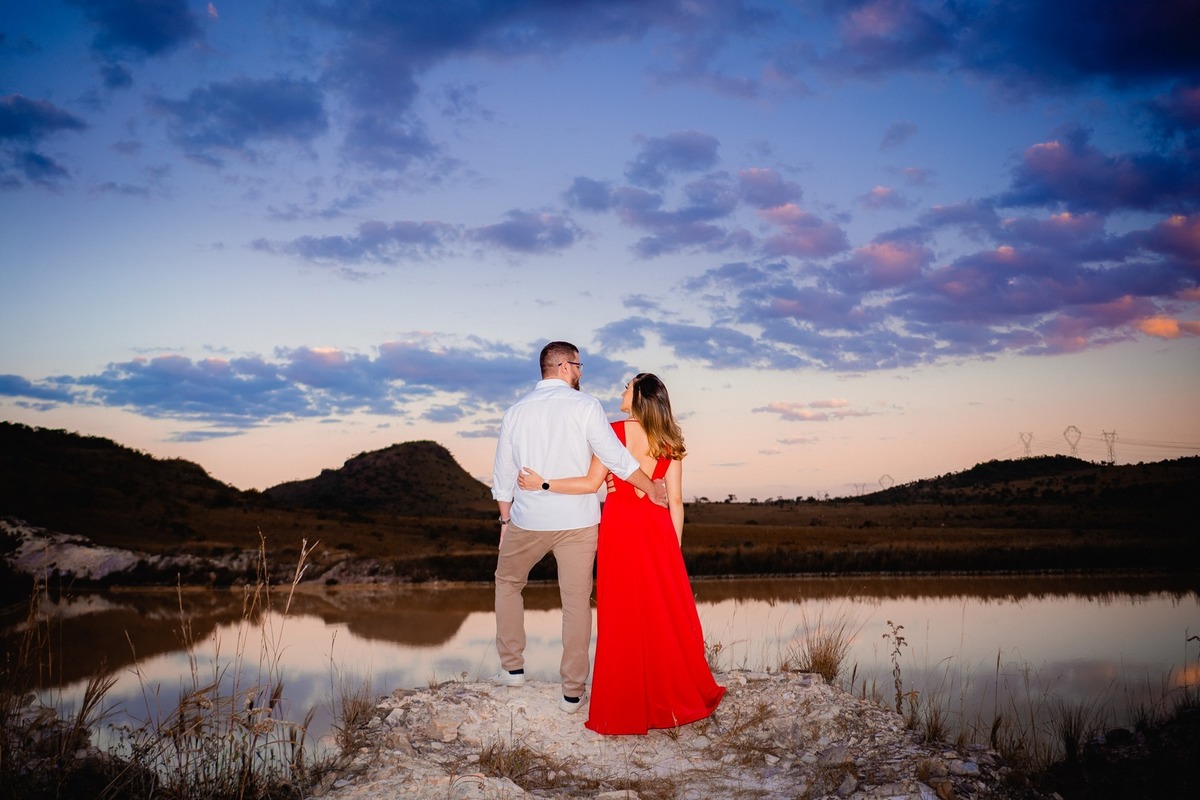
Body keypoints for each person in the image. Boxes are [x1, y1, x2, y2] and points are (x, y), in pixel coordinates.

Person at [517, 372, 725, 735]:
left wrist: (543, 483)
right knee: (662, 615)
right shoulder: (670, 440)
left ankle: (626, 706)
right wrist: (672, 553)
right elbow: (675, 501)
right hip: (659, 534)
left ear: (639, 396)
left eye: (627, 386)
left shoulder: (611, 431)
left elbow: (589, 484)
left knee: (622, 615)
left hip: (621, 532)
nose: (621, 390)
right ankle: (671, 699)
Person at [491, 341, 668, 715]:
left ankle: (513, 668)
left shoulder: (515, 412)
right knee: (575, 604)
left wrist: (505, 520)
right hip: (578, 522)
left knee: (508, 583)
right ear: (564, 366)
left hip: (529, 520)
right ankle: (572, 693)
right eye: (579, 366)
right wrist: (649, 486)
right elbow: (614, 457)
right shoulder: (585, 406)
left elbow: (503, 473)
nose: (582, 372)